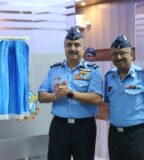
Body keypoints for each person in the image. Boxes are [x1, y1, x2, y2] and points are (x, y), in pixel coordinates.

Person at [38, 26, 103, 160]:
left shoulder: (93, 70)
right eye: (69, 45)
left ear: (83, 48)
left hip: (84, 127)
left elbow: (97, 98)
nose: (73, 48)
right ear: (64, 47)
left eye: (77, 45)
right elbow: (41, 96)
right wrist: (55, 96)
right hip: (59, 126)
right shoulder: (54, 70)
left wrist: (70, 93)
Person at [104, 34, 144, 160]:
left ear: (131, 55)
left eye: (123, 53)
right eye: (115, 54)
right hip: (115, 136)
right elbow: (109, 104)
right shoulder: (109, 77)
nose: (118, 57)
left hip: (137, 136)